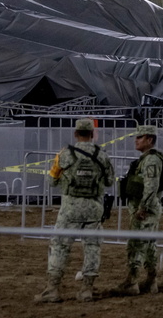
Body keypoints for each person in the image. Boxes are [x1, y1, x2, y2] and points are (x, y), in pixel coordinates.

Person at [36, 118, 115, 303]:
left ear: (76, 133)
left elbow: (52, 180)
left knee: (60, 247)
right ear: (92, 134)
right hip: (94, 209)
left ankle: (52, 289)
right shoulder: (102, 155)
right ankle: (87, 289)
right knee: (92, 248)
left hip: (70, 208)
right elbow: (110, 181)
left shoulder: (65, 154)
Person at [118, 125, 163, 295]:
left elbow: (151, 185)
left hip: (145, 209)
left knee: (136, 244)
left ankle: (132, 282)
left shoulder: (152, 160)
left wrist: (143, 207)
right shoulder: (146, 159)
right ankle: (151, 281)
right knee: (148, 246)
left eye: (140, 137)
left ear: (149, 140)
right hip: (146, 207)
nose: (136, 140)